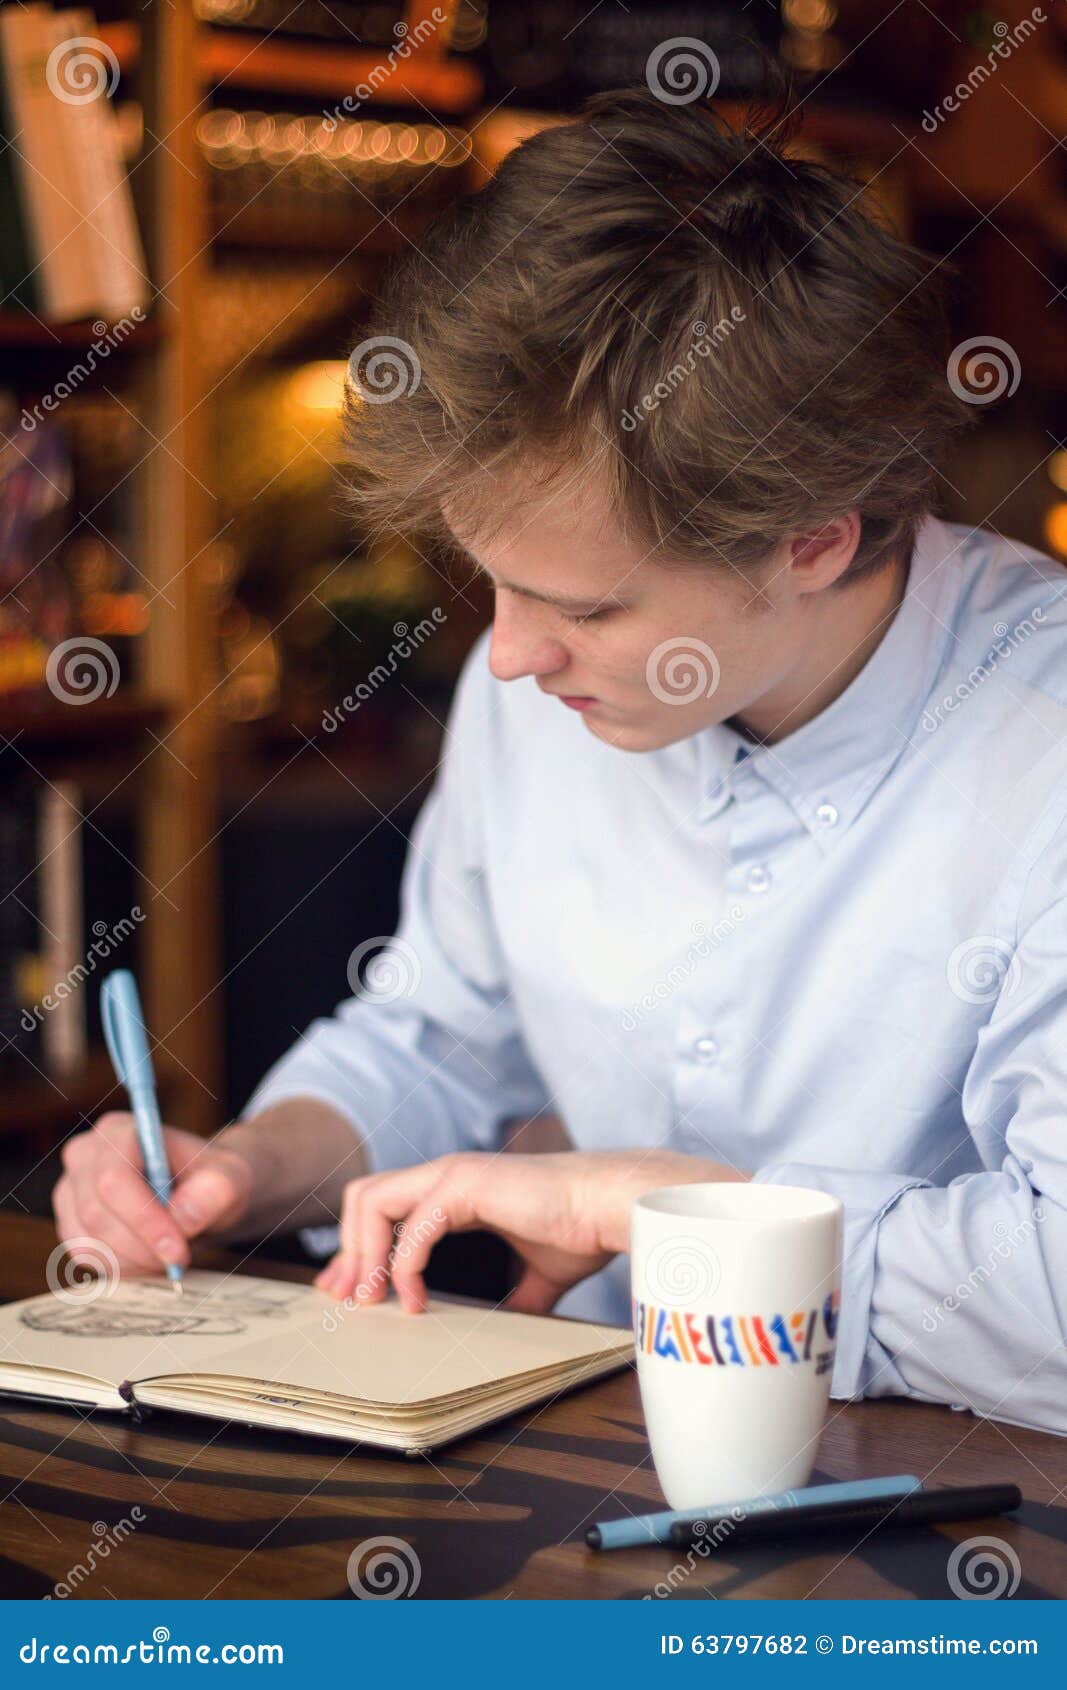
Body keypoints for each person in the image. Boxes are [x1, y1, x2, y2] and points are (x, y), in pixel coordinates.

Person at [54, 88, 1067, 1436]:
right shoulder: (536, 691)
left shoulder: (1041, 751)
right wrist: (245, 1167)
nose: (513, 658)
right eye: (496, 583)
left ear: (817, 536)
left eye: (586, 606)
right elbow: (437, 1038)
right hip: (593, 1473)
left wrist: (654, 1209)